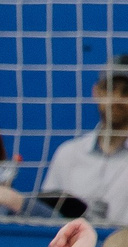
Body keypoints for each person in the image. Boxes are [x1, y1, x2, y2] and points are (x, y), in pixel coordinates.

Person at [39, 55, 128, 221]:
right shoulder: (68, 153)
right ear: (96, 92)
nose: (117, 98)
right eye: (110, 88)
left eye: (126, 91)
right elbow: (47, 216)